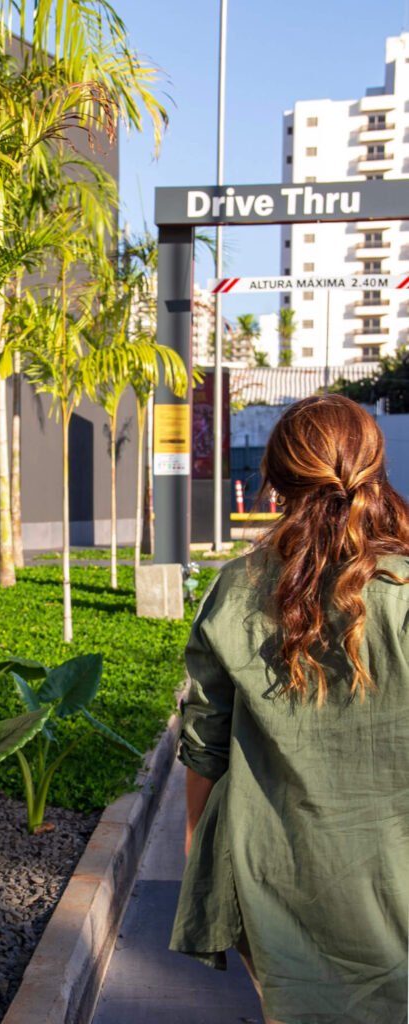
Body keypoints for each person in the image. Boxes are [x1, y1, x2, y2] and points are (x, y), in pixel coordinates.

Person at [169, 395, 409, 1024]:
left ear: (276, 483)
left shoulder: (237, 588)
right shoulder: (404, 591)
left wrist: (196, 843)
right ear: (374, 471)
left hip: (271, 872)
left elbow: (205, 739)